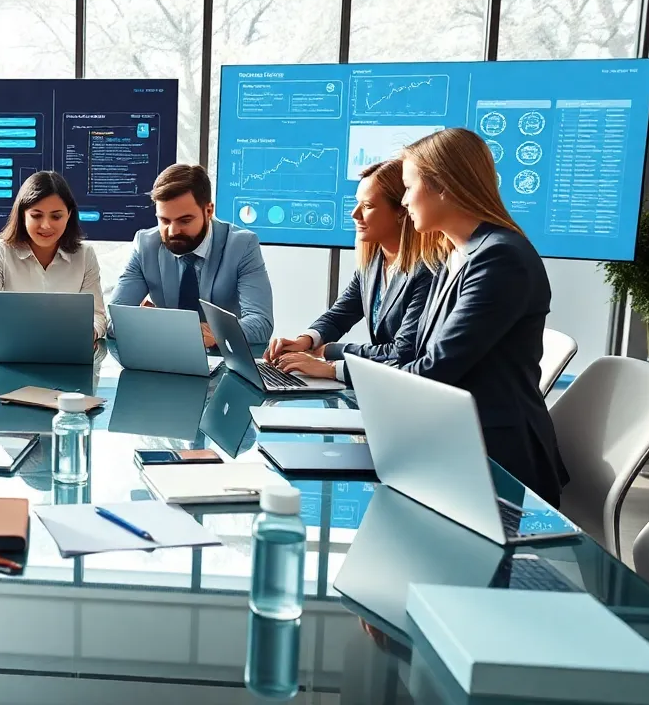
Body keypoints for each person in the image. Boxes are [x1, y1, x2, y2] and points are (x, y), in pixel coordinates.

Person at [301, 127, 566, 505]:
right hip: (449, 439)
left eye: (409, 187)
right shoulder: (455, 254)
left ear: (442, 186)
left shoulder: (499, 258)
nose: (405, 200)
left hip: (494, 459)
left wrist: (336, 369)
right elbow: (418, 357)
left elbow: (433, 368)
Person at [266, 159, 434, 379]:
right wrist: (304, 341)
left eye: (367, 206)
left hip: (402, 386)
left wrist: (330, 354)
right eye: (357, 204)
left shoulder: (426, 270)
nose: (355, 214)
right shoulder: (373, 263)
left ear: (401, 211)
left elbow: (403, 351)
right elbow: (340, 315)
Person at [110, 163, 274, 347]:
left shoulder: (242, 245)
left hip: (223, 360)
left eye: (185, 220)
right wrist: (180, 329)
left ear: (209, 211)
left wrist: (215, 334)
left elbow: (261, 323)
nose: (172, 231)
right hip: (163, 357)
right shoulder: (146, 245)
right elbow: (115, 320)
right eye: (164, 220)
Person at [0, 171, 107, 341]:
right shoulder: (2, 251)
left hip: (67, 349)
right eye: (36, 215)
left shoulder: (85, 255)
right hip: (13, 349)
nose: (46, 225)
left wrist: (88, 333)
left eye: (56, 216)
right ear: (23, 214)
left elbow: (97, 315)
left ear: (69, 215)